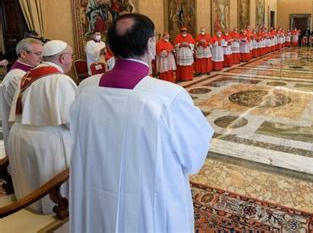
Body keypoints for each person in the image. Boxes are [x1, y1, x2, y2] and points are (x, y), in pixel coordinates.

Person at [69, 13, 213, 232]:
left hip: (96, 192)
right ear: (150, 44)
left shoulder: (85, 89)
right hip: (147, 203)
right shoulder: (167, 96)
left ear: (110, 46)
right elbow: (193, 155)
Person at [8, 40, 77, 214]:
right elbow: (72, 120)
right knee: (49, 186)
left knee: (29, 184)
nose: (72, 60)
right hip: (47, 141)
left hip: (21, 135)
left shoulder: (28, 75)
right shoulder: (59, 80)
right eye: (71, 56)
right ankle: (56, 213)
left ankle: (31, 210)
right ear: (62, 58)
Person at [1, 38, 43, 155]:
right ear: (23, 54)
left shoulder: (30, 72)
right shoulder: (17, 76)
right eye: (37, 54)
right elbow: (28, 105)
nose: (41, 58)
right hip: (25, 130)